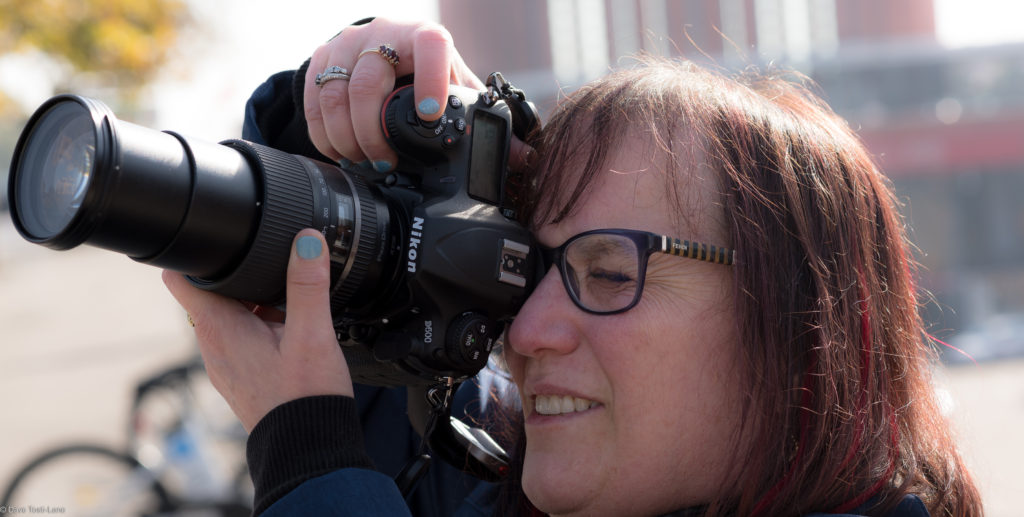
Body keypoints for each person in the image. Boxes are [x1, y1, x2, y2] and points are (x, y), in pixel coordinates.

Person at [162, 17, 983, 517]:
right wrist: (332, 126)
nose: (524, 328)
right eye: (531, 266)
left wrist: (309, 461)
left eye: (609, 271)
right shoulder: (494, 482)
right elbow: (375, 368)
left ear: (807, 324)